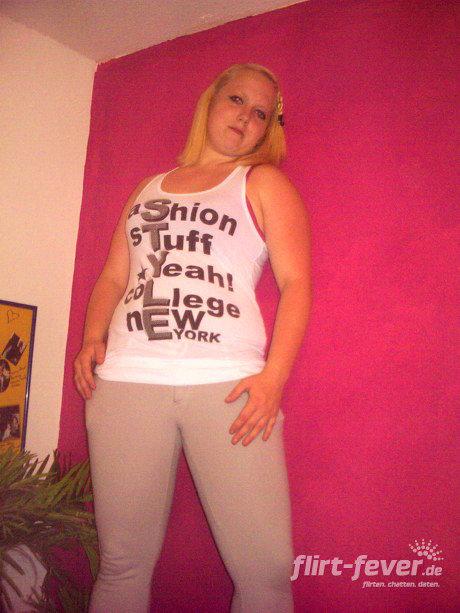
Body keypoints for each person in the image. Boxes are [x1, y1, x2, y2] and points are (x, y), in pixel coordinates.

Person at [74, 62, 311, 613]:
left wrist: (274, 379)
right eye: (237, 100)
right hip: (127, 382)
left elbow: (297, 284)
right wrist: (91, 338)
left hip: (229, 386)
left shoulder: (262, 183)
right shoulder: (147, 188)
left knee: (266, 572)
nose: (245, 117)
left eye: (261, 113)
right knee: (121, 564)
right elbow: (113, 277)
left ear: (267, 129)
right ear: (211, 101)